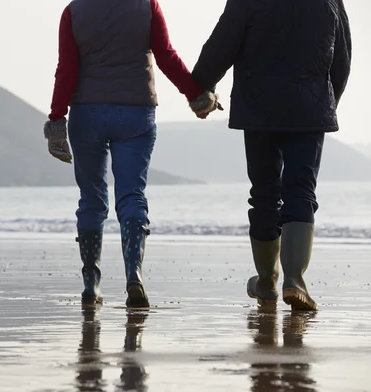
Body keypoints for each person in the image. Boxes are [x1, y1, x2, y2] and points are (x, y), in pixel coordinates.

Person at [43, 0, 221, 308]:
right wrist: (196, 95)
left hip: (87, 114)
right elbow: (165, 55)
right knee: (132, 196)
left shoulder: (74, 11)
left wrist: (57, 117)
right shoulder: (147, 6)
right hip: (136, 113)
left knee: (91, 199)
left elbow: (67, 69)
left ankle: (91, 285)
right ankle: (134, 276)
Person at [191, 0, 352, 311]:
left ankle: (267, 282)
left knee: (264, 193)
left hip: (258, 108)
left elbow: (222, 44)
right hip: (309, 108)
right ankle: (295, 280)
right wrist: (326, 101)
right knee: (301, 190)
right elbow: (342, 57)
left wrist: (200, 88)